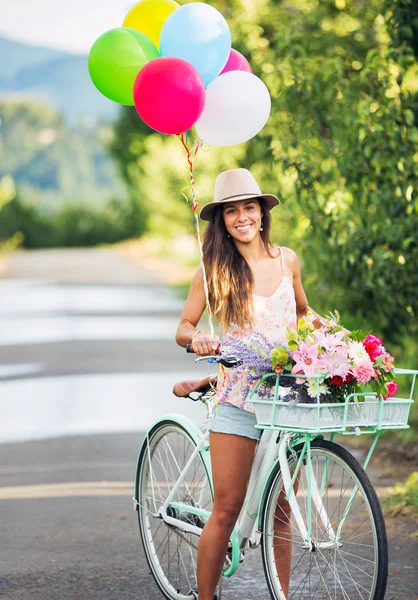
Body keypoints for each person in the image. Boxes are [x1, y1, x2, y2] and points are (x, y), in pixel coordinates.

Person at [175, 168, 326, 600]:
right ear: (221, 220)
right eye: (231, 211)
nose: (242, 217)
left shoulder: (288, 260)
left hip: (289, 396)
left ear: (262, 213)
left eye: (249, 207)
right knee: (226, 509)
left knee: (281, 511)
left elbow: (301, 313)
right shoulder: (214, 270)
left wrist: (339, 342)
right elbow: (183, 327)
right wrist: (199, 338)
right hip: (240, 397)